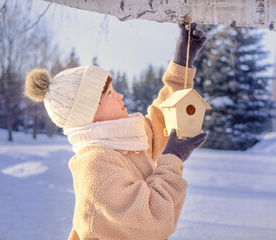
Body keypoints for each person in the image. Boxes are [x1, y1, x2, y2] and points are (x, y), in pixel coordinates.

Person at [24, 23, 207, 240]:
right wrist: (173, 158)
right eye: (109, 93)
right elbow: (153, 220)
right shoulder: (95, 165)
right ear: (89, 113)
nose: (119, 96)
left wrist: (181, 65)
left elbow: (161, 118)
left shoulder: (123, 143)